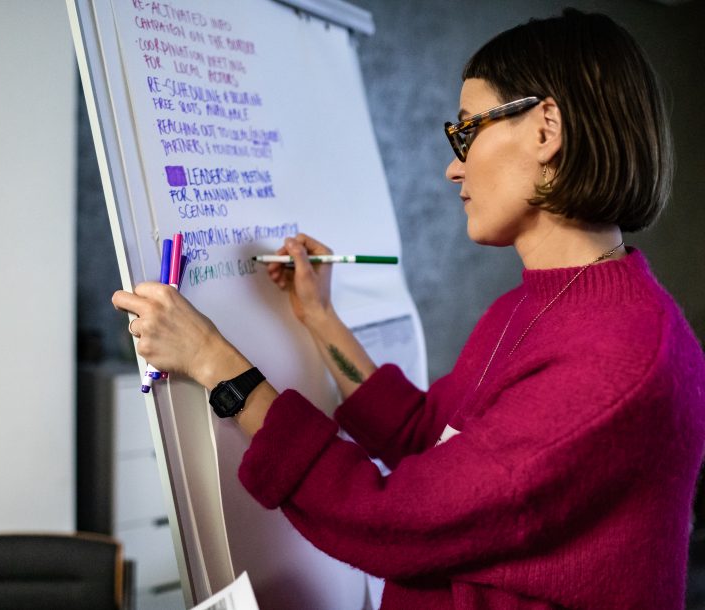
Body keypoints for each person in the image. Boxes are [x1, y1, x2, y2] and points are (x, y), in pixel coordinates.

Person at [113, 9, 705, 609]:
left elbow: (393, 518)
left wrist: (215, 362)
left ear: (545, 129)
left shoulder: (617, 356)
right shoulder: (534, 304)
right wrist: (320, 318)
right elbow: (425, 436)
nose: (454, 166)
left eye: (468, 132)